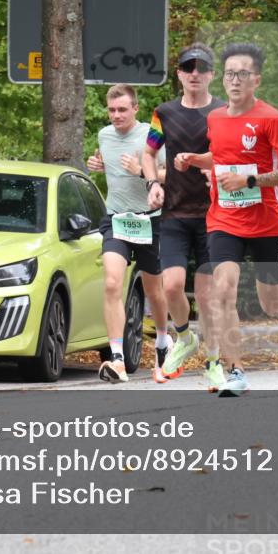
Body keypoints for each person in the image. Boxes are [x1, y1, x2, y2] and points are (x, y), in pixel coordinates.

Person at [175, 42, 278, 397]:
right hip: (224, 219)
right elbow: (221, 156)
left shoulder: (274, 120)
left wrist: (249, 181)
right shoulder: (215, 118)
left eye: (243, 74)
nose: (235, 80)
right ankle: (235, 371)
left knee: (272, 305)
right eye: (230, 74)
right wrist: (195, 159)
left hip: (268, 222)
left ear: (257, 80)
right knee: (221, 291)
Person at [142, 43, 227, 386]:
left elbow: (237, 156)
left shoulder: (224, 112)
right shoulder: (163, 112)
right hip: (174, 213)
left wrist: (217, 170)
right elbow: (149, 153)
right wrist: (152, 183)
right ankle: (185, 337)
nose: (195, 74)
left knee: (207, 296)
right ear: (179, 74)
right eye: (188, 68)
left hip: (214, 216)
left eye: (201, 68)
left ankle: (214, 362)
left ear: (211, 75)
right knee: (173, 286)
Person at [86, 84, 170, 383]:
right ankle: (117, 358)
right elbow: (108, 165)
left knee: (154, 291)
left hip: (149, 220)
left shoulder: (151, 136)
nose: (116, 115)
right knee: (112, 283)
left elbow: (171, 175)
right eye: (112, 110)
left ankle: (163, 343)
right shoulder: (104, 135)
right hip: (117, 219)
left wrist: (141, 170)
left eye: (122, 109)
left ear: (136, 108)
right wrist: (96, 164)